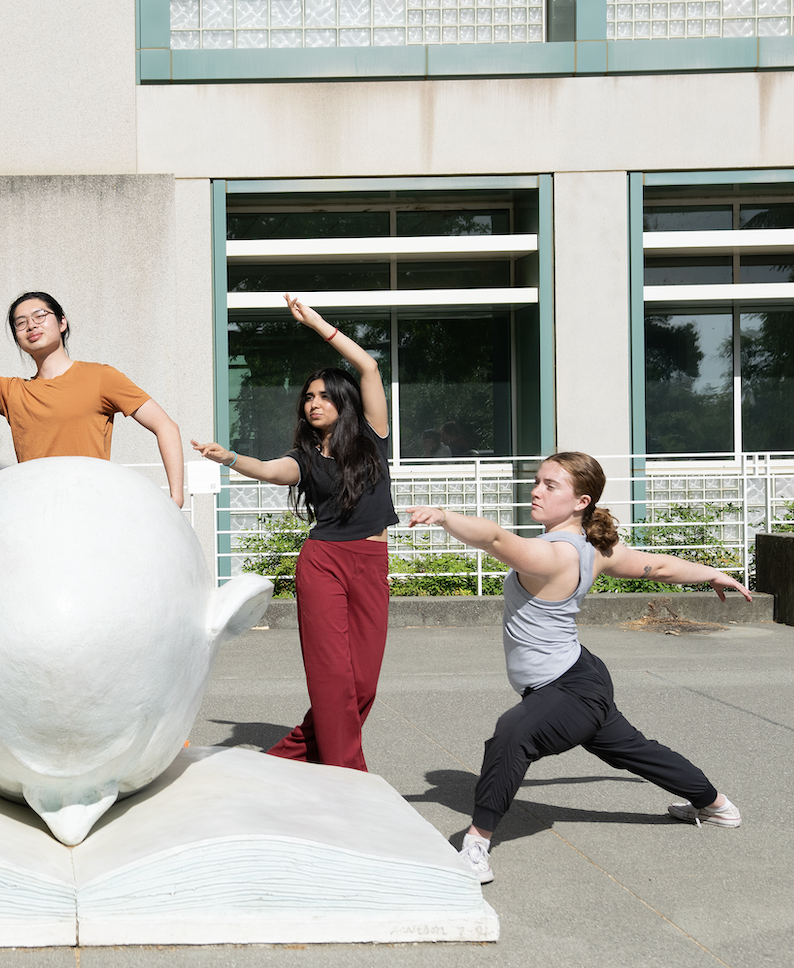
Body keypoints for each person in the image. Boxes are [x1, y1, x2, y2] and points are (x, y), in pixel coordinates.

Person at [408, 451, 749, 884]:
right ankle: (717, 805)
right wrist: (712, 573)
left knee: (512, 734)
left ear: (581, 502)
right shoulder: (595, 548)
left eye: (550, 485)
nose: (536, 490)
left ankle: (476, 845)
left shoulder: (552, 555)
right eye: (538, 481)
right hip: (580, 678)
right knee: (634, 751)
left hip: (568, 689)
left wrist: (443, 516)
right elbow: (659, 567)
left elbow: (493, 538)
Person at [192, 295, 397, 772]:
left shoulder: (372, 435)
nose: (314, 403)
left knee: (362, 684)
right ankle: (348, 777)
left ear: (343, 401)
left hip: (370, 563)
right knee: (331, 680)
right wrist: (230, 459)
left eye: (323, 396)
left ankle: (278, 763)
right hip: (323, 562)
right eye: (308, 397)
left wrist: (318, 324)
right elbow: (269, 470)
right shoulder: (304, 458)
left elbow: (369, 367)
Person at [0, 259, 184, 506]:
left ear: (62, 322)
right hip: (34, 516)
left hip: (93, 512)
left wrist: (176, 499)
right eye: (20, 323)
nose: (31, 324)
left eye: (40, 316)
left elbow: (166, 426)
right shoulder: (10, 393)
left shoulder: (101, 377)